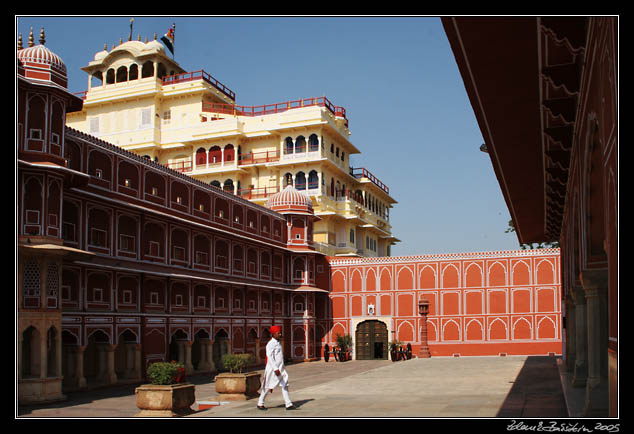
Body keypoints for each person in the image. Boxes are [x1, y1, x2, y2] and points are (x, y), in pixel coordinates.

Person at [257, 326, 296, 410]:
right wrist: (275, 369)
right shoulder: (270, 344)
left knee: (285, 385)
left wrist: (280, 368)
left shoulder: (278, 343)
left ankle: (288, 404)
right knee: (267, 386)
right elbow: (270, 357)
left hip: (281, 369)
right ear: (273, 334)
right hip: (273, 370)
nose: (280, 334)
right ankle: (260, 403)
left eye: (280, 332)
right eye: (278, 333)